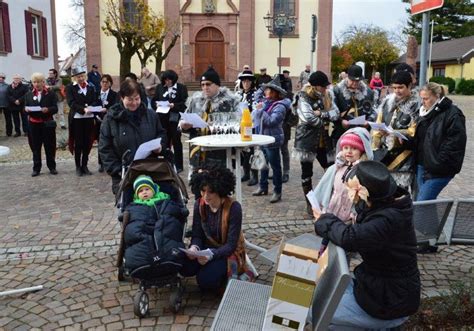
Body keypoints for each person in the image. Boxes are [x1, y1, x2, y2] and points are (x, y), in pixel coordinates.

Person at [313, 160, 420, 329]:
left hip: (389, 301)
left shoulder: (386, 220)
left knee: (316, 313)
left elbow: (350, 238)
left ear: (363, 193)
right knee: (322, 299)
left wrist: (323, 220)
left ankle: (384, 326)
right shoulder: (384, 205)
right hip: (380, 290)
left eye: (350, 189)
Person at [181, 165, 253, 292]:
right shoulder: (199, 204)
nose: (206, 196)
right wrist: (194, 248)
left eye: (211, 192)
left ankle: (224, 276)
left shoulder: (234, 208)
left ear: (219, 190)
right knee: (184, 267)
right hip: (204, 249)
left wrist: (211, 255)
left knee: (205, 281)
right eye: (203, 191)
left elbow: (230, 245)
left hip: (224, 252)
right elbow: (197, 233)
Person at [99, 79, 167, 195]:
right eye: (130, 99)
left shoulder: (150, 115)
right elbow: (105, 147)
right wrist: (117, 170)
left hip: (150, 170)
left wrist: (160, 146)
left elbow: (161, 134)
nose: (134, 103)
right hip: (124, 174)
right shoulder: (111, 119)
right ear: (122, 98)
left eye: (137, 99)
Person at [313, 128, 373, 254]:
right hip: (332, 212)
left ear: (362, 150)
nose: (349, 151)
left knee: (341, 251)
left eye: (354, 148)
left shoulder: (362, 172)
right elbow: (329, 188)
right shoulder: (338, 167)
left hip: (347, 219)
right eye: (345, 148)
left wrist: (353, 215)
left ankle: (340, 271)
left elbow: (362, 198)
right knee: (324, 247)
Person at [292, 71, 340, 214]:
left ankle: (329, 199)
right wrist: (326, 118)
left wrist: (323, 114)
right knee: (307, 173)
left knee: (331, 170)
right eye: (323, 87)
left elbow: (336, 113)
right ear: (316, 86)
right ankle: (310, 203)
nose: (325, 89)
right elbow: (308, 118)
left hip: (324, 140)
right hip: (306, 140)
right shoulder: (303, 97)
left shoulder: (328, 95)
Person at [179, 67, 239, 178]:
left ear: (217, 85)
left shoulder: (230, 102)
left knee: (218, 189)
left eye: (208, 84)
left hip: (220, 154)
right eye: (202, 85)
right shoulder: (195, 100)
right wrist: (184, 125)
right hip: (197, 154)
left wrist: (216, 126)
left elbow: (238, 127)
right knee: (198, 188)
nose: (205, 88)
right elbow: (183, 121)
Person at [123, 175, 188, 273]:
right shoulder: (133, 206)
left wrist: (181, 211)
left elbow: (173, 211)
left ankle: (169, 257)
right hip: (143, 226)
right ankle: (142, 261)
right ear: (136, 195)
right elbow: (131, 222)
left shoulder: (166, 200)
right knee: (136, 233)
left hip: (163, 226)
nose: (144, 192)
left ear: (154, 190)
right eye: (140, 191)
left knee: (169, 228)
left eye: (147, 189)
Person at [415, 82, 466, 201]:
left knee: (422, 205)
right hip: (422, 166)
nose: (423, 102)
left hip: (438, 170)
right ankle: (432, 220)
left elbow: (455, 144)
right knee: (427, 206)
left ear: (437, 96)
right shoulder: (424, 112)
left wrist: (437, 164)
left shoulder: (453, 113)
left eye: (426, 98)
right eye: (421, 98)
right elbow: (422, 139)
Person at [372, 70, 420, 192]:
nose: (397, 91)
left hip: (404, 159)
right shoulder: (387, 102)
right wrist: (376, 143)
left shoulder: (417, 106)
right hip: (384, 155)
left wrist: (394, 133)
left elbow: (415, 131)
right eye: (394, 88)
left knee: (399, 195)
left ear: (409, 86)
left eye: (400, 87)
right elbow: (378, 123)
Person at [251, 75, 291, 203]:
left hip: (273, 139)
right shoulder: (267, 102)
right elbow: (257, 95)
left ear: (274, 93)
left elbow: (272, 121)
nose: (265, 92)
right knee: (263, 164)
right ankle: (263, 187)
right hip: (263, 138)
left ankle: (277, 191)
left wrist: (261, 111)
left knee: (275, 166)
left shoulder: (280, 106)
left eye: (268, 90)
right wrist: (263, 88)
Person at [152, 69, 188, 173]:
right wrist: (156, 104)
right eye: (165, 80)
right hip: (162, 118)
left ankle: (179, 165)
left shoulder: (181, 88)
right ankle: (166, 163)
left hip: (175, 117)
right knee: (164, 141)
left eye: (169, 80)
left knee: (176, 141)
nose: (167, 82)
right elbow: (154, 100)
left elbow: (184, 103)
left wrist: (174, 105)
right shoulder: (160, 88)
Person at [24, 72, 58, 177]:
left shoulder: (50, 93)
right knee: (35, 147)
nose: (37, 84)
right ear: (32, 83)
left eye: (39, 82)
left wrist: (48, 109)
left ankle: (52, 167)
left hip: (47, 123)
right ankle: (36, 168)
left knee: (49, 146)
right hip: (34, 124)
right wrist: (26, 109)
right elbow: (26, 108)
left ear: (43, 82)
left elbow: (55, 108)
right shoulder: (28, 94)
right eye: (34, 82)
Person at [67, 68, 99, 176]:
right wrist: (82, 109)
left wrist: (91, 107)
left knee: (87, 142)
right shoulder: (71, 87)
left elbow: (95, 100)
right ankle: (78, 166)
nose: (81, 78)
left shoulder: (90, 87)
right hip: (77, 118)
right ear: (75, 78)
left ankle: (85, 165)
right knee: (79, 143)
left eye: (82, 76)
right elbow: (71, 102)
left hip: (88, 118)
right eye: (78, 77)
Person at [332, 64, 376, 141]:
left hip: (362, 134)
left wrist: (369, 121)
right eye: (352, 80)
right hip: (341, 133)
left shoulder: (369, 92)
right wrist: (340, 121)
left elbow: (374, 111)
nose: (355, 83)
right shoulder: (337, 91)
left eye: (358, 81)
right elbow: (331, 111)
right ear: (347, 77)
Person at [235, 70, 258, 185]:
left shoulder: (255, 94)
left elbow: (256, 110)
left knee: (252, 151)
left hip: (251, 125)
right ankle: (246, 173)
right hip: (240, 125)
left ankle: (254, 175)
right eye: (244, 81)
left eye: (248, 81)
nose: (246, 83)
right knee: (243, 151)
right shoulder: (238, 95)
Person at [96, 74, 118, 173]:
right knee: (100, 142)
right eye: (103, 82)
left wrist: (107, 109)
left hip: (109, 121)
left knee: (110, 142)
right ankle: (101, 163)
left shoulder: (114, 94)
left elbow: (116, 106)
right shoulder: (96, 93)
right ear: (100, 83)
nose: (104, 84)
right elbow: (92, 104)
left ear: (110, 84)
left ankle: (110, 162)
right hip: (97, 120)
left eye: (107, 82)